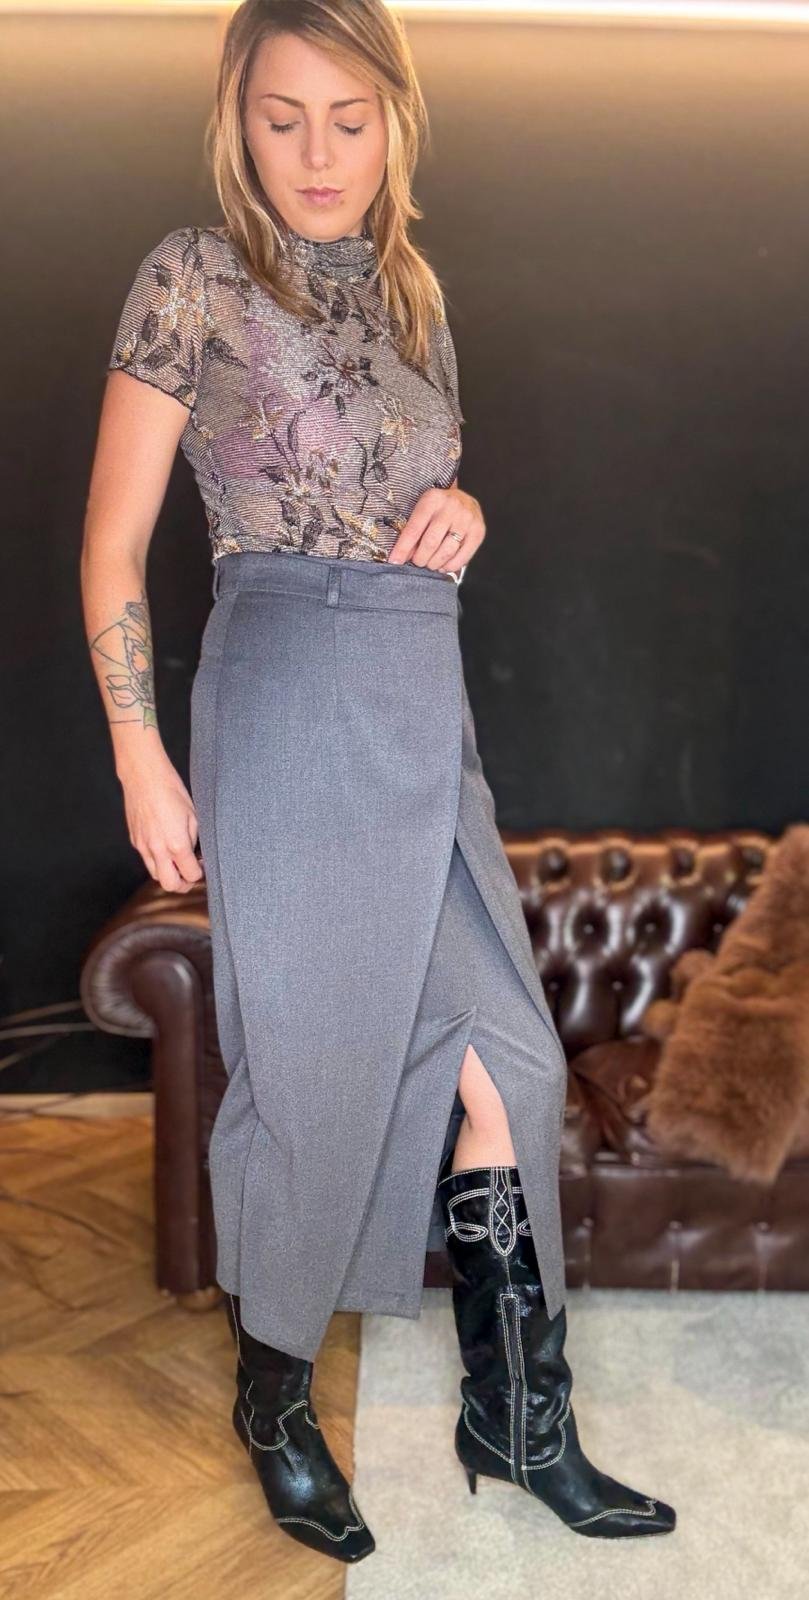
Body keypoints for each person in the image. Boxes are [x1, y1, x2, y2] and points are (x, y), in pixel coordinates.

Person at [81, 0, 676, 1567]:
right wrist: (140, 753)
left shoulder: (417, 295)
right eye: (281, 117)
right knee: (317, 1074)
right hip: (288, 692)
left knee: (512, 1069)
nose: (316, 151)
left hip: (423, 693)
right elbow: (112, 541)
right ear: (236, 119)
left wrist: (465, 506)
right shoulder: (193, 275)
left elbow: (416, 483)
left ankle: (514, 1417)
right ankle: (275, 1399)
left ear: (396, 120)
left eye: (348, 118)